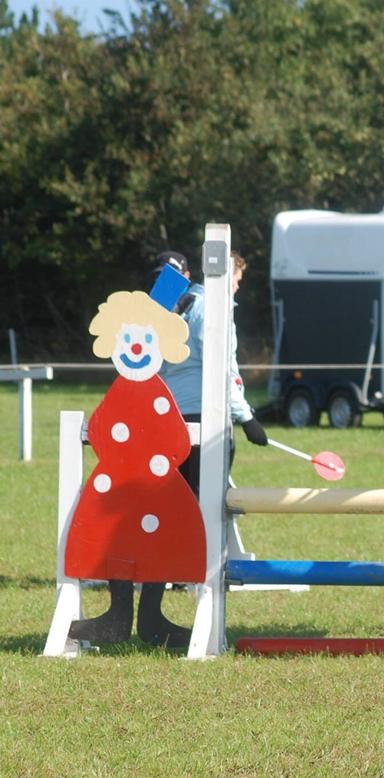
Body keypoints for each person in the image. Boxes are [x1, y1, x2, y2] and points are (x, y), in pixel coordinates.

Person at [65, 289, 205, 648]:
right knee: (116, 543)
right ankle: (118, 616)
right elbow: (100, 431)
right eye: (128, 340)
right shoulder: (122, 390)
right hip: (118, 486)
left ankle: (151, 618)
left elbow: (177, 441)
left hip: (154, 488)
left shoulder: (158, 393)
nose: (137, 348)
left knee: (157, 545)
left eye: (145, 340)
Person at [151, 250, 268, 495]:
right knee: (207, 500)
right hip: (203, 415)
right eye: (236, 279)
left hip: (172, 413)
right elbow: (219, 371)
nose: (237, 286)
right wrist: (246, 418)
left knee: (181, 499)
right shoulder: (210, 309)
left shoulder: (177, 304)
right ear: (226, 277)